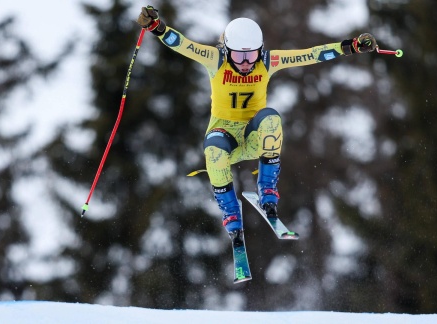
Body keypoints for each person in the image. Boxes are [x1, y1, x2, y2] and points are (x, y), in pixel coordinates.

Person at [137, 6, 376, 241]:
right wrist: (156, 27)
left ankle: (267, 189)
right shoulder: (215, 60)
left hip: (253, 138)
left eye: (251, 55)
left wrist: (351, 46)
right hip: (224, 138)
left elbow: (311, 54)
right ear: (226, 49)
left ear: (260, 50)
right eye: (239, 55)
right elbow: (182, 43)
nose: (245, 63)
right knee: (214, 152)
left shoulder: (267, 61)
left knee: (271, 117)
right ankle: (230, 212)